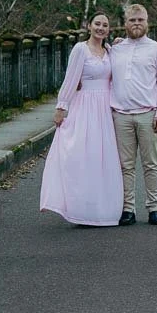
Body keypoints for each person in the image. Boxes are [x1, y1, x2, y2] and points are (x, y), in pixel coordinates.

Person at [40, 14, 124, 226]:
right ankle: (80, 208)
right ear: (89, 26)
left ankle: (102, 209)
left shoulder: (110, 51)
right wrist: (62, 106)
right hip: (84, 106)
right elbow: (71, 79)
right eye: (97, 24)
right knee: (82, 156)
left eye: (105, 25)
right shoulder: (80, 49)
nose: (101, 28)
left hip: (105, 109)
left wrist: (123, 45)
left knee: (102, 159)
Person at [110, 4, 157, 226]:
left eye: (141, 20)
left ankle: (154, 207)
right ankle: (128, 208)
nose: (137, 24)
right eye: (132, 20)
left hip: (148, 114)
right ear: (125, 23)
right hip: (121, 115)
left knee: (151, 163)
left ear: (147, 22)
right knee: (125, 165)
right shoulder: (115, 49)